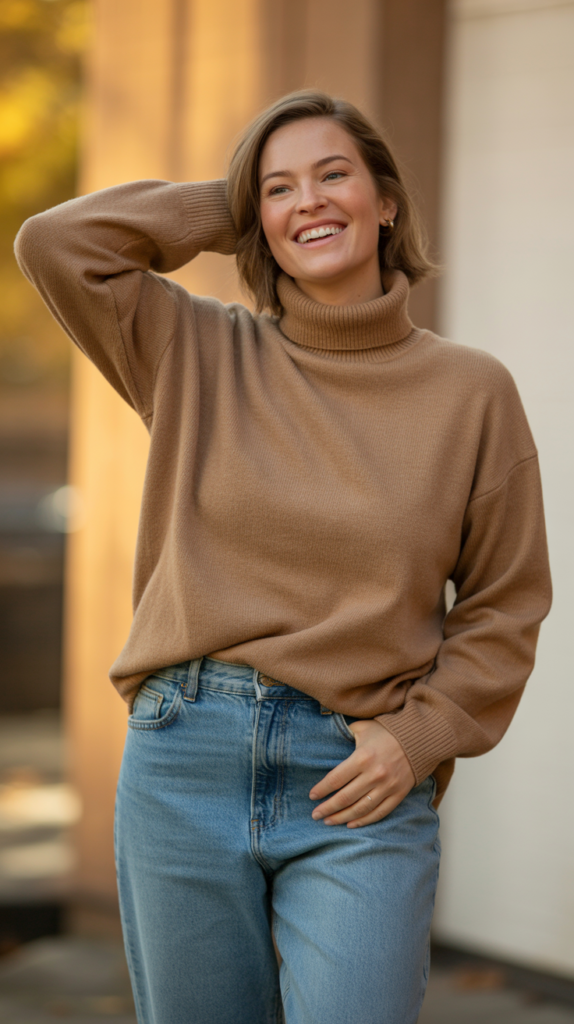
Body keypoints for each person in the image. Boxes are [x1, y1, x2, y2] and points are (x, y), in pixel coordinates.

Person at [15, 90, 551, 1024]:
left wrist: (417, 737)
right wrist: (238, 203)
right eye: (281, 189)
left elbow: (507, 604)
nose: (309, 200)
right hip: (185, 758)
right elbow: (57, 245)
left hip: (357, 776)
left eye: (334, 176)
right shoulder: (194, 350)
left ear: (388, 201)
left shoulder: (471, 392)